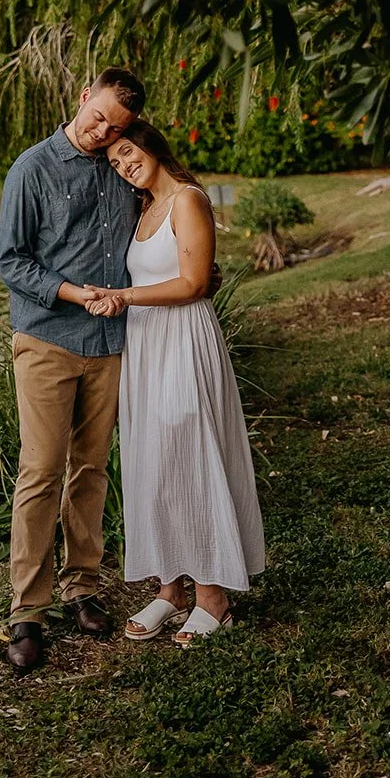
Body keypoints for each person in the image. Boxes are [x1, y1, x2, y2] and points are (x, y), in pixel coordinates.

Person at [86, 120, 264, 645]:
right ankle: (170, 589)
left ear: (150, 145)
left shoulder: (188, 200)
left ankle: (213, 596)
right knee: (153, 459)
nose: (124, 165)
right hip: (145, 347)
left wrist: (122, 297)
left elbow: (192, 282)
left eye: (127, 152)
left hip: (183, 341)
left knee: (191, 454)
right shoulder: (143, 209)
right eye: (115, 162)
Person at [0, 68, 146, 676]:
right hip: (48, 340)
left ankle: (82, 583)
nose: (102, 131)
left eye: (116, 126)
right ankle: (27, 610)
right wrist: (74, 294)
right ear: (83, 97)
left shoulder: (123, 163)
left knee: (91, 467)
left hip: (109, 343)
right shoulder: (31, 169)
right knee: (39, 470)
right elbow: (12, 261)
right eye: (98, 116)